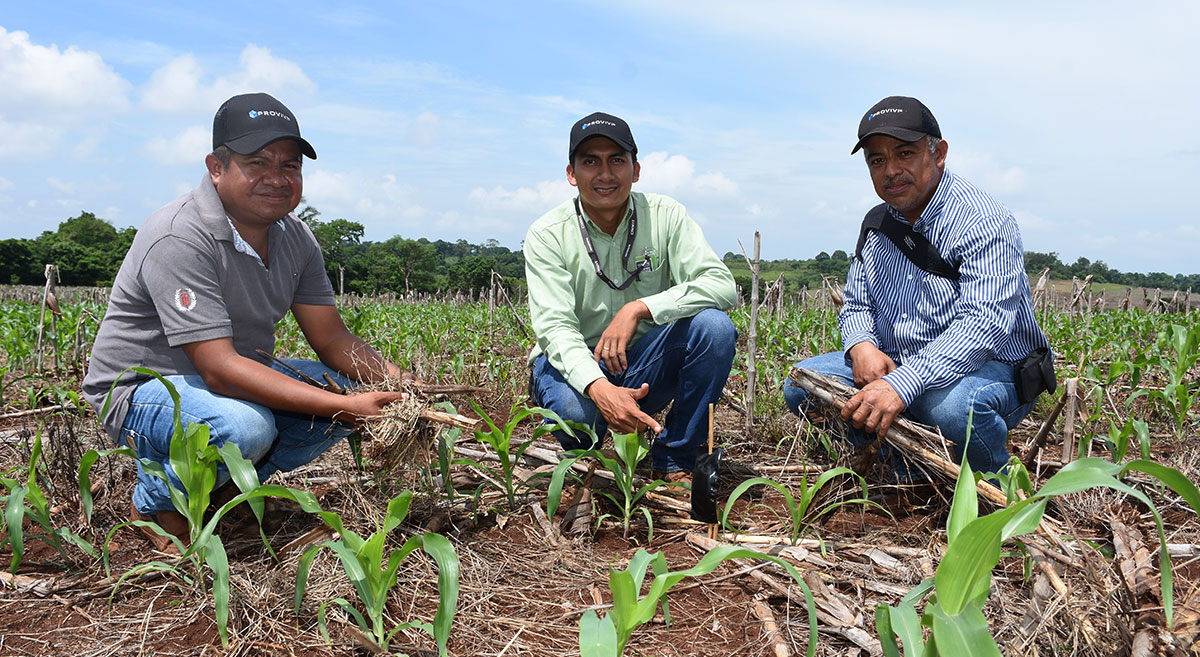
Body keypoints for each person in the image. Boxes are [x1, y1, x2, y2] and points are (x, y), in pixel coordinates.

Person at [82, 92, 412, 551]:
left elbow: (332, 336)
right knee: (247, 428)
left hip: (225, 378)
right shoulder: (180, 233)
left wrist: (404, 386)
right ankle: (155, 501)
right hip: (144, 387)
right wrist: (347, 408)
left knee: (342, 389)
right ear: (216, 167)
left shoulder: (295, 237)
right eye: (258, 163)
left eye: (290, 166)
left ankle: (222, 488)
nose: (277, 179)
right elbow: (218, 367)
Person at [783, 96, 1052, 479]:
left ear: (938, 153)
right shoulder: (877, 224)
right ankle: (906, 468)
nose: (891, 170)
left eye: (904, 154)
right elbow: (857, 303)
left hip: (989, 367)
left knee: (953, 410)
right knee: (804, 386)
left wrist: (901, 384)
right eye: (877, 161)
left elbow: (985, 323)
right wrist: (861, 346)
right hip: (901, 364)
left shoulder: (983, 220)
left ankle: (994, 482)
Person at [524, 112, 738, 482]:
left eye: (616, 160)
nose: (605, 174)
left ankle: (676, 458)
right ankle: (585, 462)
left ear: (635, 170)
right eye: (590, 162)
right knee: (577, 413)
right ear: (571, 174)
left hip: (642, 363)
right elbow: (556, 329)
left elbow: (721, 284)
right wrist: (601, 388)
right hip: (572, 367)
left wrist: (640, 308)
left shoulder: (665, 215)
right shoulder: (547, 234)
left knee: (714, 329)